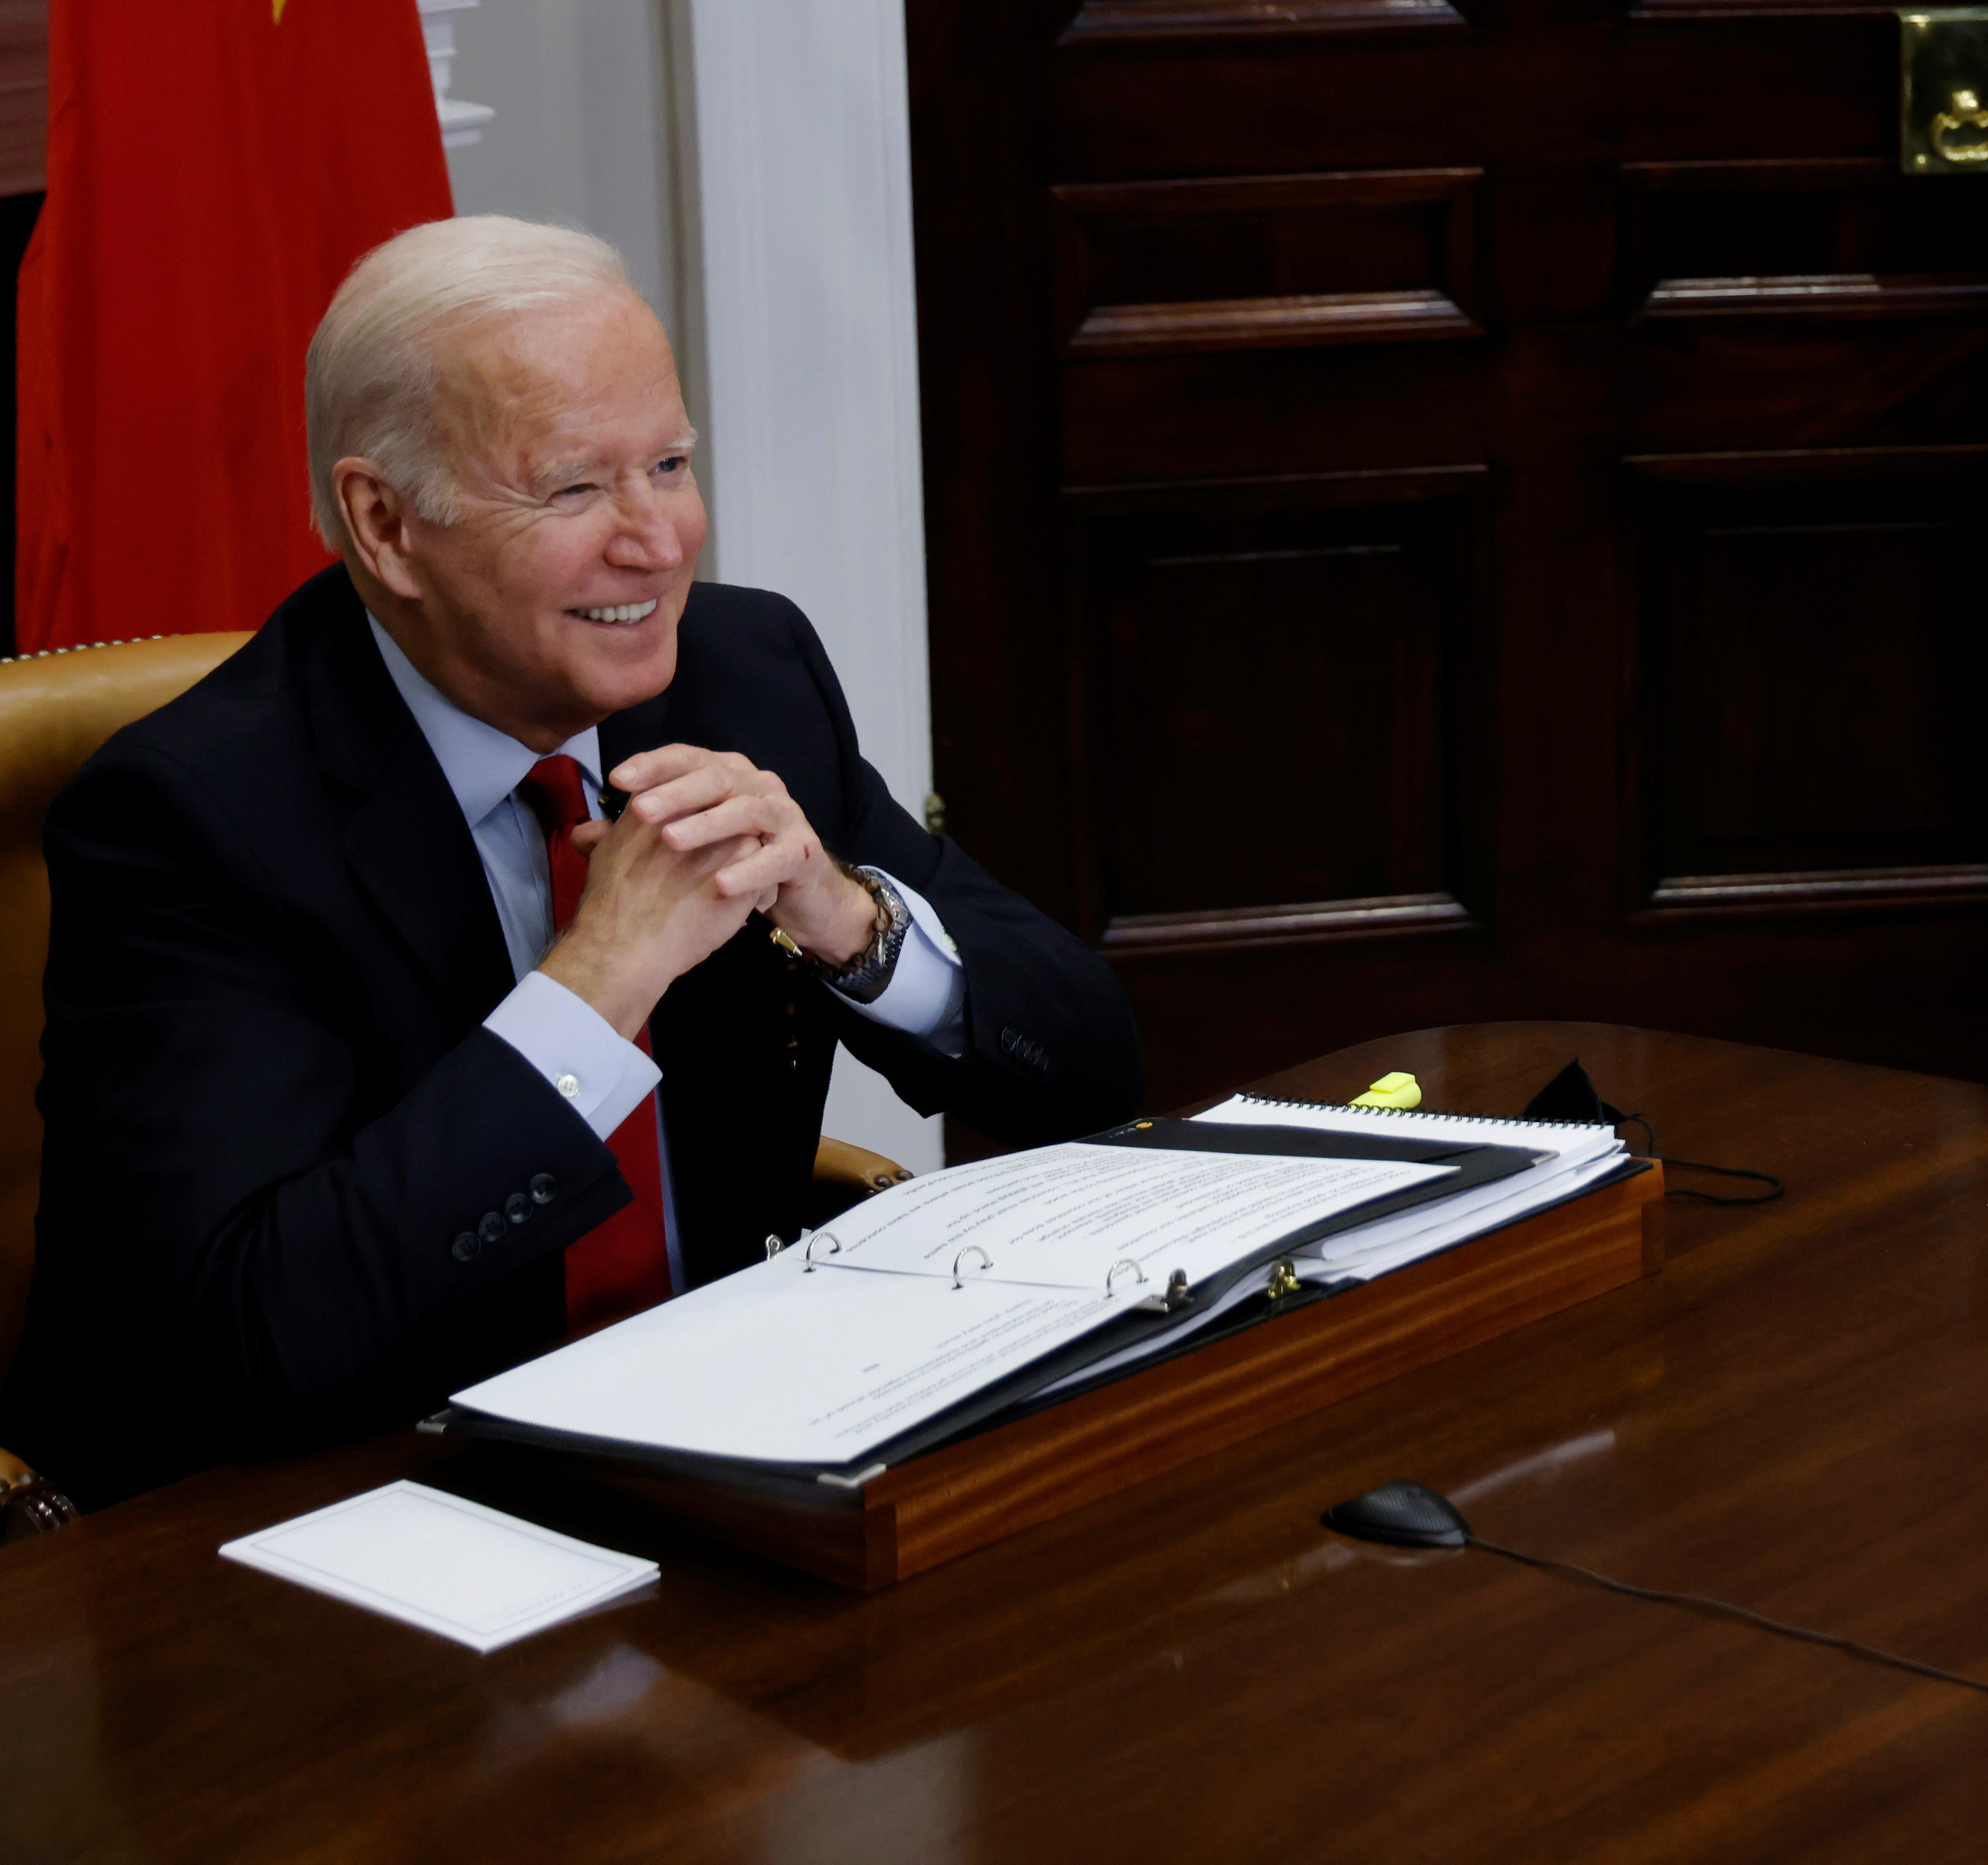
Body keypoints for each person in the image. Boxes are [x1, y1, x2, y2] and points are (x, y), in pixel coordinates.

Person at [0, 218, 1141, 1506]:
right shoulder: (191, 817)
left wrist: (847, 918)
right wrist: (593, 988)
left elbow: (1091, 1070)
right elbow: (255, 1337)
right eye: (575, 489)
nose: (657, 542)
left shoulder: (742, 674)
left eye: (669, 462)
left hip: (716, 1451)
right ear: (385, 523)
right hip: (322, 1522)